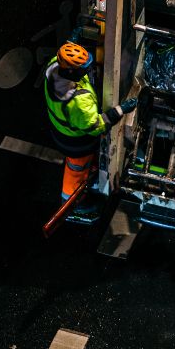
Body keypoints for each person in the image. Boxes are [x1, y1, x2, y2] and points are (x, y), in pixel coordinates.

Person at [44, 41, 137, 221]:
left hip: (61, 131)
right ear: (71, 72)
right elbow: (97, 126)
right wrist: (121, 110)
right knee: (76, 169)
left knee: (79, 166)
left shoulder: (54, 65)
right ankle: (73, 204)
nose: (87, 70)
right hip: (77, 143)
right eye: (83, 68)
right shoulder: (78, 102)